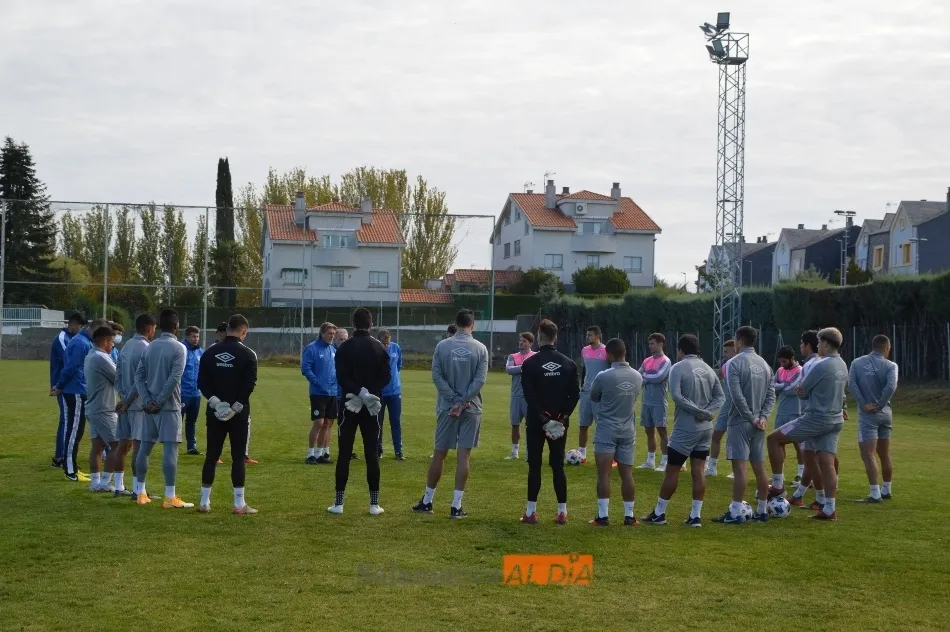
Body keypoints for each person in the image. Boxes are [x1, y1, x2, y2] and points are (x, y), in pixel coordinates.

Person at [766, 327, 849, 521]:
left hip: (815, 418)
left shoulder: (821, 365)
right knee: (826, 463)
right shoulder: (843, 364)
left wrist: (802, 391)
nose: (818, 346)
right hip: (835, 419)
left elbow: (801, 390)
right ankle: (829, 508)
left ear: (826, 344)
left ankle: (778, 484)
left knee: (773, 439)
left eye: (819, 343)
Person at [412, 309, 488, 518]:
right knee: (464, 455)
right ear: (472, 325)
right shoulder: (481, 348)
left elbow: (436, 376)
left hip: (448, 407)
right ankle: (456, 506)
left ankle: (427, 501)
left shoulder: (442, 346)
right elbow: (480, 380)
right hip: (471, 408)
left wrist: (454, 400)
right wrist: (463, 401)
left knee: (440, 454)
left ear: (456, 323)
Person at [642, 334, 724, 527]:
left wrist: (698, 412)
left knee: (672, 471)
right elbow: (721, 397)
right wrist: (707, 412)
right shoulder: (708, 369)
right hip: (705, 429)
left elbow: (677, 397)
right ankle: (695, 516)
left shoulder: (678, 367)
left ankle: (659, 514)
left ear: (680, 350)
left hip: (686, 428)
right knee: (698, 471)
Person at [328, 308, 391, 515]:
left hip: (349, 404)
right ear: (371, 324)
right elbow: (386, 377)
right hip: (373, 406)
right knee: (371, 454)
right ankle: (374, 504)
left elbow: (341, 377)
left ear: (352, 324)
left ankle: (338, 503)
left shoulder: (344, 348)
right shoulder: (379, 348)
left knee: (344, 453)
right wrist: (369, 393)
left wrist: (358, 392)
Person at [517, 320, 579, 525]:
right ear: (556, 336)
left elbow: (529, 395)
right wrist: (560, 418)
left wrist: (543, 418)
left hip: (536, 422)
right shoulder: (569, 363)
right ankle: (562, 512)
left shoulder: (530, 363)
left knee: (535, 466)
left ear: (539, 335)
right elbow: (575, 395)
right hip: (559, 423)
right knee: (557, 466)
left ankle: (531, 512)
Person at [713, 326, 775, 524]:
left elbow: (736, 396)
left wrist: (750, 417)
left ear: (739, 341)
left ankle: (736, 512)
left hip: (741, 421)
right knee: (759, 467)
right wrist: (763, 417)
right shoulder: (765, 364)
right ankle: (762, 510)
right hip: (759, 423)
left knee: (740, 468)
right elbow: (771, 394)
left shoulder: (734, 363)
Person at [197, 314, 259, 514]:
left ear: (228, 329)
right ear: (244, 331)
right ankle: (239, 504)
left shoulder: (209, 352)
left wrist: (215, 403)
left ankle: (204, 502)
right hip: (239, 414)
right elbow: (249, 384)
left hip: (214, 411)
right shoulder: (249, 354)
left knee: (211, 455)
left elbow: (202, 383)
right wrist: (235, 407)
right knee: (238, 457)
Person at [133, 308, 192, 509]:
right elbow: (174, 378)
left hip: (149, 407)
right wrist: (158, 401)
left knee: (144, 449)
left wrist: (148, 399)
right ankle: (169, 496)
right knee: (170, 450)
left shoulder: (149, 347)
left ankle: (140, 492)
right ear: (177, 327)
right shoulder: (179, 348)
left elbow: (138, 377)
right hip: (168, 407)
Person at [588, 338, 642, 527]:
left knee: (604, 475)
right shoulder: (637, 376)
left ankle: (603, 516)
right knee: (627, 475)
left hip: (607, 429)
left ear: (608, 355)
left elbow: (593, 396)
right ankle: (629, 516)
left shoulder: (603, 376)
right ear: (625, 352)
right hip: (628, 430)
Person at [51, 318, 108, 482]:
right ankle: (70, 470)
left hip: (79, 390)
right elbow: (70, 367)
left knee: (77, 431)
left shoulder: (83, 341)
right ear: (94, 329)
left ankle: (73, 467)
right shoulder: (81, 343)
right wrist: (60, 386)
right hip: (75, 391)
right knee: (74, 431)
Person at [848, 334, 898, 503]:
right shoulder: (891, 365)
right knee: (884, 454)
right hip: (886, 414)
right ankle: (887, 489)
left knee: (868, 454)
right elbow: (891, 386)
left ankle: (875, 493)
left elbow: (852, 384)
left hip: (868, 416)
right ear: (886, 348)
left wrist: (864, 404)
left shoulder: (857, 362)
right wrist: (881, 404)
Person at [112, 313, 156, 498]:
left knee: (123, 445)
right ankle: (139, 491)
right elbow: (142, 381)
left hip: (124, 404)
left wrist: (122, 398)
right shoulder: (146, 348)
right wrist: (129, 400)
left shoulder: (126, 346)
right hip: (137, 405)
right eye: (154, 328)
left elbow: (118, 374)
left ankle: (118, 486)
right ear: (149, 328)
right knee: (139, 448)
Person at [84, 325, 120, 492]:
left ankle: (95, 483)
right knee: (118, 445)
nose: (113, 345)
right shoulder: (101, 357)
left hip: (93, 407)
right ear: (104, 341)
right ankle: (105, 483)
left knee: (98, 446)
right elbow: (118, 378)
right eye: (112, 341)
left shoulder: (91, 355)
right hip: (104, 409)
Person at [49, 312, 86, 469]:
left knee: (70, 421)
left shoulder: (73, 339)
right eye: (79, 326)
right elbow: (69, 361)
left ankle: (63, 455)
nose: (80, 329)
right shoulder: (62, 339)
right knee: (66, 420)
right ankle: (60, 457)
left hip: (73, 386)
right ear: (73, 324)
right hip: (63, 387)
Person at [302, 322, 338, 464]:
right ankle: (310, 454)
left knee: (328, 422)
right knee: (319, 422)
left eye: (334, 334)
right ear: (322, 333)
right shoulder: (312, 348)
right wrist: (317, 382)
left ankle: (320, 454)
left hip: (333, 391)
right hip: (318, 392)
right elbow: (305, 368)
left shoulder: (333, 349)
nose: (332, 336)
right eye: (330, 333)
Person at [637, 333, 673, 471]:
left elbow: (659, 377)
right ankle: (650, 461)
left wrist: (645, 377)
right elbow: (638, 375)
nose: (650, 346)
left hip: (659, 402)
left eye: (653, 343)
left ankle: (665, 461)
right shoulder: (646, 360)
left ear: (660, 344)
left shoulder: (666, 361)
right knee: (649, 431)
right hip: (646, 401)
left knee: (662, 431)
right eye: (649, 344)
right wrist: (645, 376)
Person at [574, 326, 609, 464]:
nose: (587, 337)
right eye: (587, 335)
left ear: (598, 336)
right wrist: (582, 387)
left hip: (601, 394)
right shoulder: (585, 350)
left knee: (601, 425)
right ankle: (582, 454)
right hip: (586, 392)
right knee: (583, 424)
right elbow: (585, 371)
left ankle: (605, 453)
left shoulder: (606, 351)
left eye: (590, 335)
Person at [704, 339, 736, 477]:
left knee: (735, 438)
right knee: (716, 435)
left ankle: (736, 470)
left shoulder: (740, 364)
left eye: (726, 352)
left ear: (736, 349)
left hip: (738, 407)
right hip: (725, 405)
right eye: (723, 351)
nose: (724, 354)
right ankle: (712, 467)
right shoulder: (725, 365)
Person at [773, 346, 805, 484]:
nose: (782, 365)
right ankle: (780, 475)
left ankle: (801, 474)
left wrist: (782, 386)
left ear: (792, 358)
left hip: (796, 412)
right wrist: (783, 385)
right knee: (778, 444)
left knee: (799, 444)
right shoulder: (780, 370)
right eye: (780, 361)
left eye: (785, 361)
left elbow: (792, 390)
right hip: (781, 412)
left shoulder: (800, 370)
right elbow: (772, 385)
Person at [504, 332, 537, 461]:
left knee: (531, 425)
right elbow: (509, 370)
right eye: (520, 341)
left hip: (530, 396)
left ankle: (530, 452)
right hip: (516, 395)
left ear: (530, 343)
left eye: (524, 341)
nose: (521, 343)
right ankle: (514, 452)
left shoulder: (535, 356)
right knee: (515, 424)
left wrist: (519, 368)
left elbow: (536, 370)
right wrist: (525, 367)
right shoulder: (513, 356)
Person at [376, 329, 404, 460]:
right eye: (384, 343)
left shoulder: (396, 348)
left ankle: (398, 451)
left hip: (394, 392)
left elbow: (398, 366)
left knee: (396, 422)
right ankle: (378, 450)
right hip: (380, 392)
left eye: (388, 343)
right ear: (378, 341)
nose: (386, 346)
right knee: (378, 422)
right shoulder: (374, 350)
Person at [181, 326, 203, 455]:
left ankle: (191, 447)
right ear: (187, 336)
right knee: (178, 421)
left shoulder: (200, 351)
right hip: (183, 393)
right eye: (194, 336)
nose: (196, 339)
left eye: (198, 336)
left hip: (196, 393)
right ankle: (174, 445)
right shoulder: (181, 350)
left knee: (192, 421)